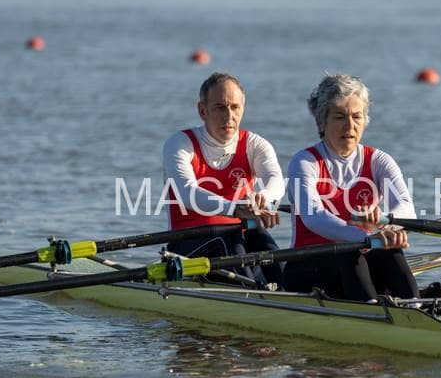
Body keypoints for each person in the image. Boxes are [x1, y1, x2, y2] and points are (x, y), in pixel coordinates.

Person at [284, 74, 420, 302]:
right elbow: (313, 216)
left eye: (357, 116)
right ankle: (372, 310)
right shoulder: (304, 162)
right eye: (340, 117)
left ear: (365, 120)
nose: (350, 125)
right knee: (349, 250)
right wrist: (364, 236)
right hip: (308, 268)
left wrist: (388, 224)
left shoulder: (379, 161)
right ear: (322, 122)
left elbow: (406, 208)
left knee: (390, 250)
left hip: (358, 262)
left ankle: (415, 307)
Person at [162, 72, 284, 287]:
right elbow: (187, 193)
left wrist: (264, 198)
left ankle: (290, 292)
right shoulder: (180, 144)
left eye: (235, 107)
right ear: (202, 111)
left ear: (242, 109)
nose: (229, 116)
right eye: (220, 107)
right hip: (188, 245)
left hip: (237, 240)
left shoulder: (255, 145)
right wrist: (235, 209)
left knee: (266, 244)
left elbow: (276, 181)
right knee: (230, 241)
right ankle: (253, 294)